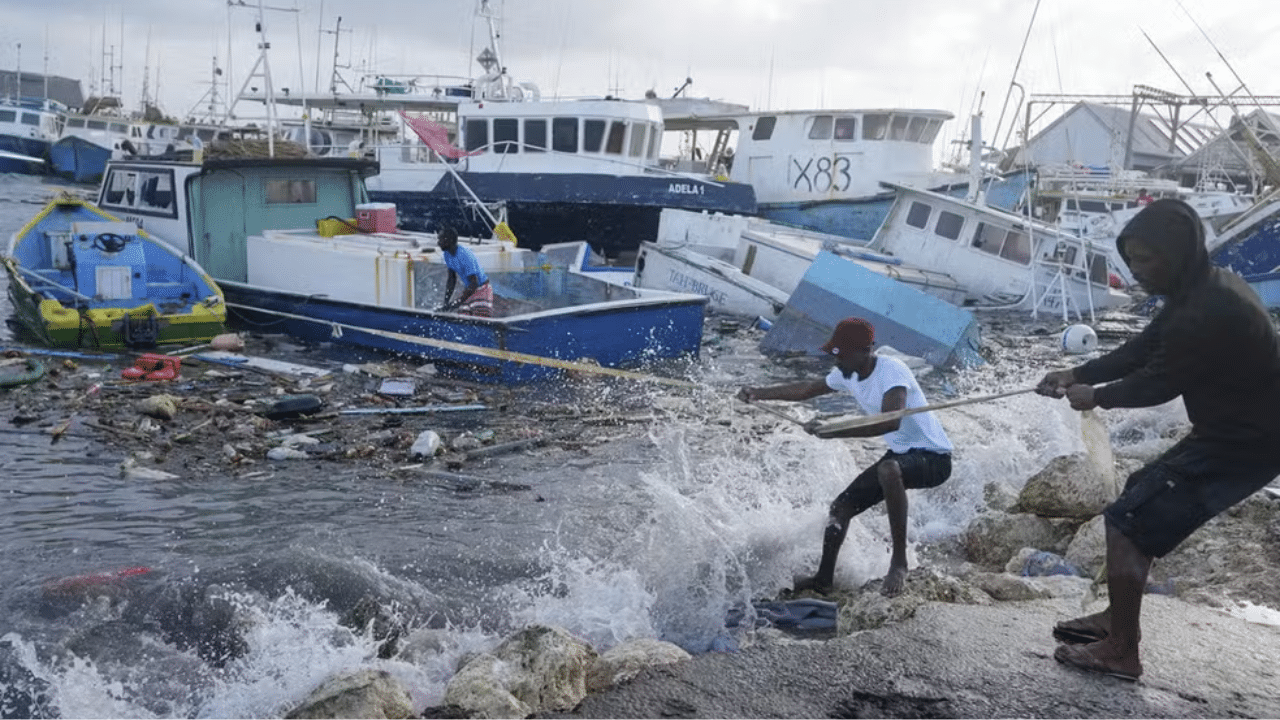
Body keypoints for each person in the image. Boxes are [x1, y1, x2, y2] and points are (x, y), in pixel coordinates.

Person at [1036, 198, 1280, 681]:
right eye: (1132, 261)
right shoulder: (1200, 289)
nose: (1137, 271)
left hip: (1250, 440)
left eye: (1146, 259)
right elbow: (1143, 349)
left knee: (1127, 519)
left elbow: (1158, 383)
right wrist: (1075, 371)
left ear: (1178, 252)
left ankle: (1123, 650)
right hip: (1237, 430)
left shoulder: (1207, 308)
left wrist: (1094, 396)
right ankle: (1116, 620)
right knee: (1138, 492)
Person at [737, 318, 954, 597]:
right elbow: (807, 389)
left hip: (934, 458)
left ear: (866, 351)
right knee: (840, 509)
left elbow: (890, 422)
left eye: (841, 355)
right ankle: (823, 579)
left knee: (888, 469)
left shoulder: (892, 370)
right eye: (834, 354)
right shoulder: (846, 373)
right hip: (901, 456)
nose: (836, 361)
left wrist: (833, 431)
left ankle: (899, 563)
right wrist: (758, 393)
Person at [437, 226, 493, 317]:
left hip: (481, 289)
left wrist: (458, 302)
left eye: (440, 239)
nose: (438, 243)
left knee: (480, 320)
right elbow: (451, 280)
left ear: (449, 240)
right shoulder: (447, 255)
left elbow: (474, 283)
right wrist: (446, 303)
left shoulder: (465, 255)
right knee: (462, 318)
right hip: (469, 289)